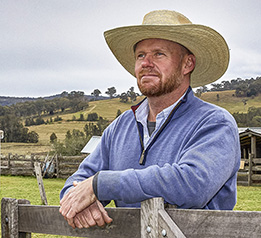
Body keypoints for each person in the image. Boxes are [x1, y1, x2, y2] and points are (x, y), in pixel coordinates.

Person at [59, 10, 241, 229]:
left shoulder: (214, 123)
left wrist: (100, 185)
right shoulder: (119, 128)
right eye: (141, 55)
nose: (146, 63)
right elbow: (80, 178)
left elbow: (192, 184)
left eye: (159, 54)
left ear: (187, 64)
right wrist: (76, 197)